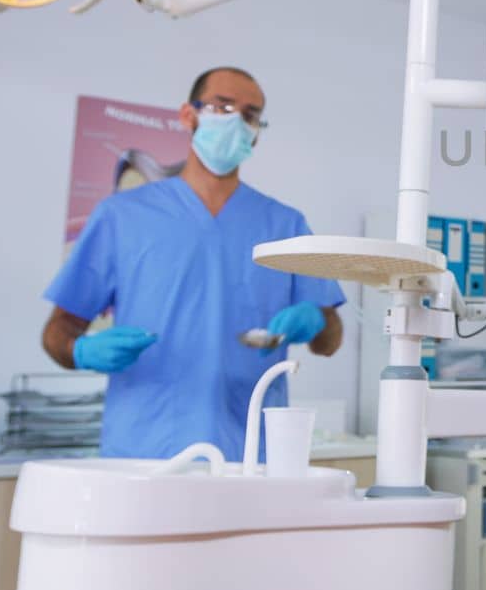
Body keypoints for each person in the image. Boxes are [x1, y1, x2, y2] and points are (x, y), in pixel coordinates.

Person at [40, 67, 345, 461]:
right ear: (189, 115)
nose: (237, 122)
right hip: (144, 453)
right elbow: (57, 331)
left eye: (250, 115)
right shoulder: (121, 217)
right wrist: (81, 351)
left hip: (251, 456)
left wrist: (318, 320)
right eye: (223, 107)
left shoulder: (285, 224)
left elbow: (331, 340)